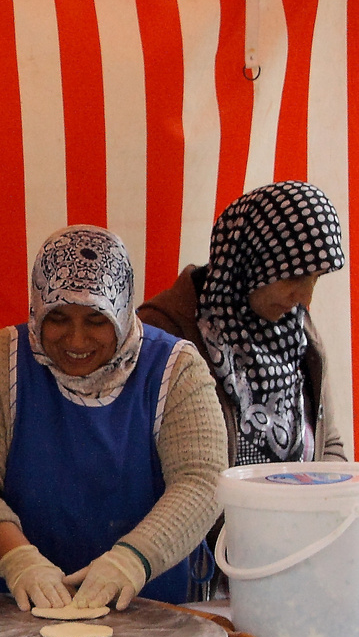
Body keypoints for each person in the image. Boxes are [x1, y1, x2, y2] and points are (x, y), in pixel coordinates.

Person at [0, 226, 226, 611]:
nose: (76, 341)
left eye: (96, 320)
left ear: (123, 311)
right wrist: (17, 560)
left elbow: (202, 481)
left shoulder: (177, 369)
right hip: (13, 605)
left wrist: (132, 560)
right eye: (57, 317)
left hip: (147, 606)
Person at [138, 181, 348, 466]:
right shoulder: (164, 333)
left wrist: (328, 498)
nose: (305, 297)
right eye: (293, 278)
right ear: (250, 262)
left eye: (316, 278)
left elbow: (328, 441)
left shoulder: (297, 331)